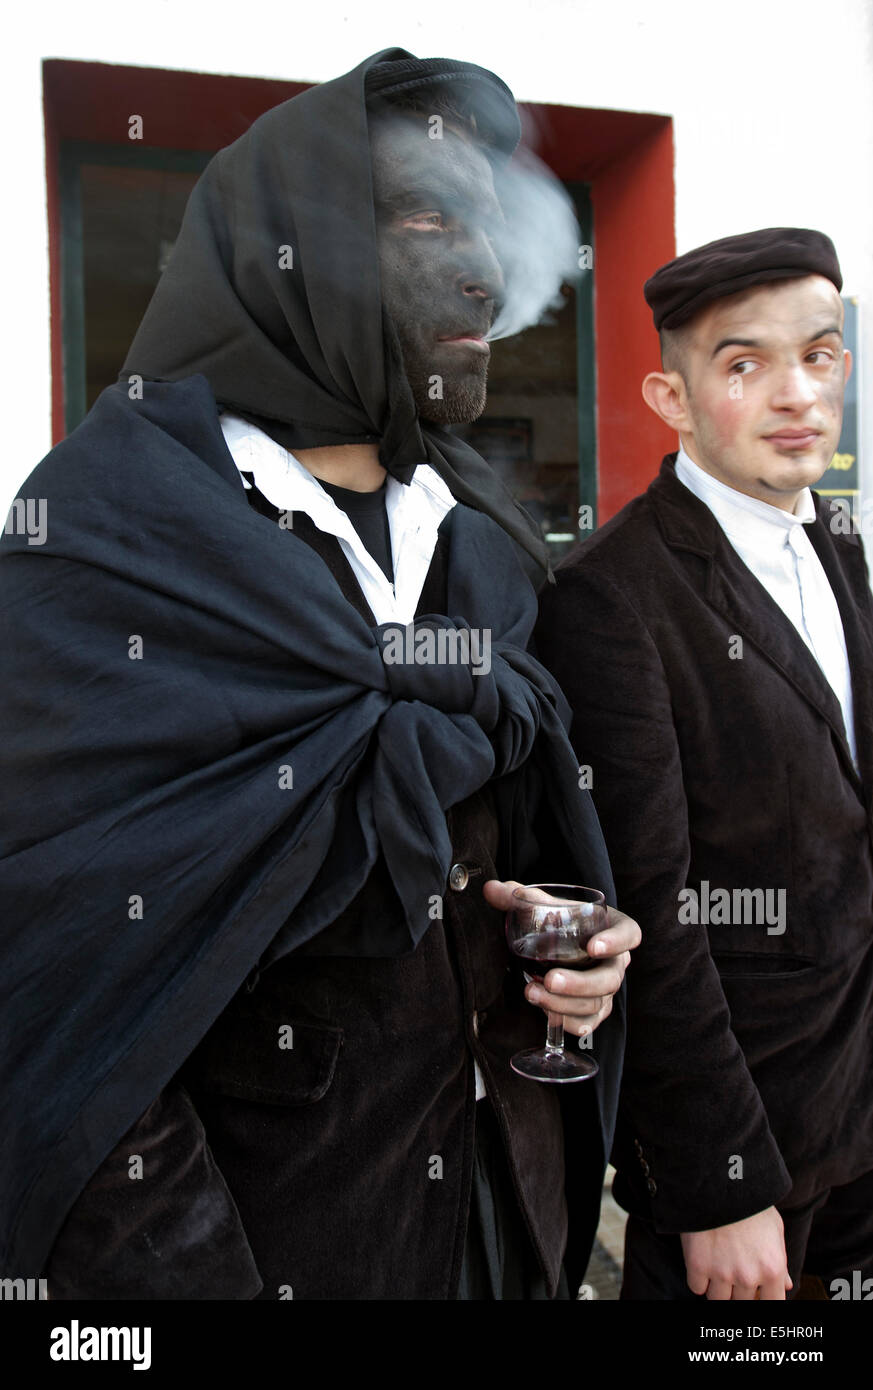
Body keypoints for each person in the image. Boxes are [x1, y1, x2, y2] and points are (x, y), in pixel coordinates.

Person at [0, 48, 638, 1301]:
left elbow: (477, 848)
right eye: (426, 217)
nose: (488, 268)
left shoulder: (481, 547)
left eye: (494, 225)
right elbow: (60, 1002)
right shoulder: (112, 532)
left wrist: (575, 951)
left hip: (509, 1231)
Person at [536, 227, 873, 1301]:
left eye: (819, 355)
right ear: (671, 399)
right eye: (745, 364)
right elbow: (653, 910)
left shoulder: (843, 544)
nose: (796, 395)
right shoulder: (609, 595)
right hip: (754, 1160)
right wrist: (717, 1184)